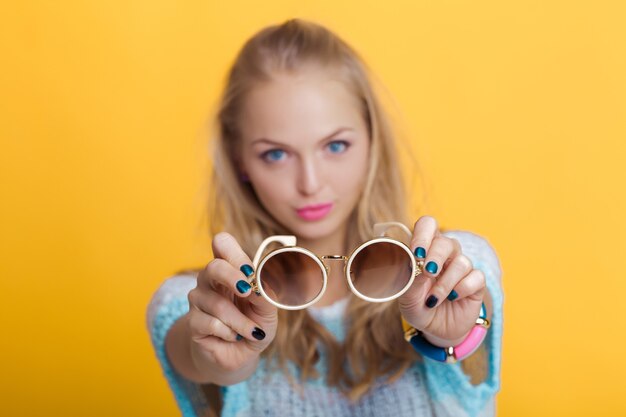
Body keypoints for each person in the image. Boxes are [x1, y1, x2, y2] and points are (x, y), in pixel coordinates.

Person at [146, 18, 503, 417]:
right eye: (275, 154)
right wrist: (224, 356)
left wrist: (452, 333)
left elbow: (473, 343)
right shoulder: (195, 304)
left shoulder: (457, 266)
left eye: (335, 145)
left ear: (372, 140)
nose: (310, 183)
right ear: (239, 160)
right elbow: (203, 359)